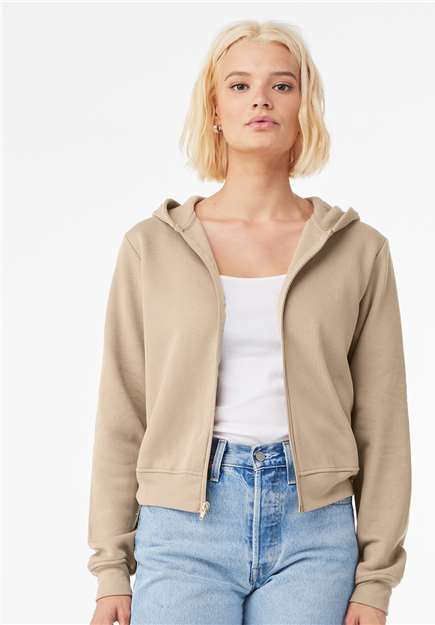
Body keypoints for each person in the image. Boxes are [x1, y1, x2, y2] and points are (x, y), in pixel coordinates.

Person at [88, 19, 412, 625]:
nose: (260, 99)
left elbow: (382, 421)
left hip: (314, 534)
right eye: (239, 85)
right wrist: (111, 567)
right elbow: (123, 411)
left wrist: (375, 581)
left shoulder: (358, 250)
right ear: (214, 108)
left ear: (303, 107)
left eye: (281, 85)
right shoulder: (151, 247)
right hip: (182, 530)